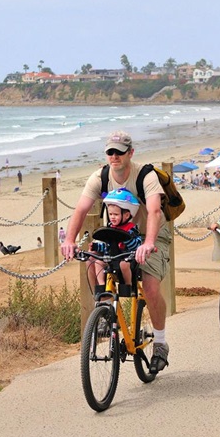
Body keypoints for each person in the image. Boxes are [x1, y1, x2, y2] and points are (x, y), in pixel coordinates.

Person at [60, 130, 171, 374]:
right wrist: (69, 240)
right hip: (117, 232)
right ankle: (105, 307)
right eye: (110, 152)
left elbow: (153, 211)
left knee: (151, 287)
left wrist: (148, 242)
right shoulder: (99, 177)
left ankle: (161, 343)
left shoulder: (145, 176)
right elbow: (80, 210)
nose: (114, 156)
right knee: (93, 258)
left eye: (120, 152)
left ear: (130, 153)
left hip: (150, 234)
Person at [88, 188, 143, 288]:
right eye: (110, 214)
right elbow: (107, 246)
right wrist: (96, 247)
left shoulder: (131, 229)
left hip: (127, 259)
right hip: (111, 258)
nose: (112, 217)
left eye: (116, 214)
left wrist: (126, 238)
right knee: (98, 262)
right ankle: (101, 285)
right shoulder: (110, 228)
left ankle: (128, 285)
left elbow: (137, 245)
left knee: (123, 265)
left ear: (126, 215)